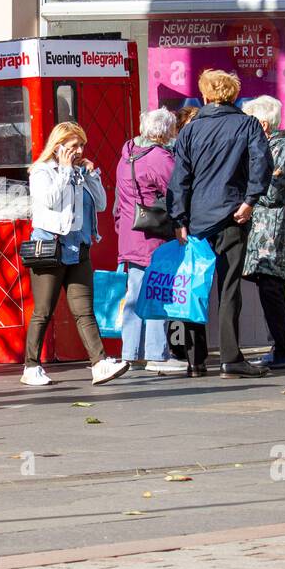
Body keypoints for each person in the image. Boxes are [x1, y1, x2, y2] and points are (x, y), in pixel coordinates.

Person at [168, 69, 273, 379]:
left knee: (195, 288)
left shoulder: (190, 130)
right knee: (229, 290)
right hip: (232, 215)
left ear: (205, 95)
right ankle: (230, 358)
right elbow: (262, 164)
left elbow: (179, 180)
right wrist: (250, 201)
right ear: (232, 95)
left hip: (198, 220)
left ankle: (195, 361)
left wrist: (179, 219)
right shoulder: (247, 125)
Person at [21, 122, 129, 388]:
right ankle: (31, 366)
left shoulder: (80, 172)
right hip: (51, 247)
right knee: (43, 311)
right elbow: (51, 201)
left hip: (78, 248)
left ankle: (99, 363)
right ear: (58, 147)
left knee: (84, 310)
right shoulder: (41, 172)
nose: (79, 150)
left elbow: (102, 203)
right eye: (72, 146)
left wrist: (90, 175)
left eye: (81, 145)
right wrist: (66, 170)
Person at [113, 108, 184, 374]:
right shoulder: (158, 157)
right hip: (153, 236)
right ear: (165, 131)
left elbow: (121, 200)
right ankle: (156, 354)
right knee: (156, 293)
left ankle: (130, 353)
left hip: (130, 235)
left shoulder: (127, 153)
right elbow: (176, 192)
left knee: (134, 296)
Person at [242, 96, 285, 371]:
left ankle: (283, 350)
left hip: (277, 233)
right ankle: (278, 348)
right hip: (267, 232)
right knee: (269, 289)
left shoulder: (282, 149)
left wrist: (244, 194)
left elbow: (270, 191)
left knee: (271, 288)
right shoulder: (270, 147)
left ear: (263, 124)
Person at [166, 105, 203, 372]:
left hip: (192, 224)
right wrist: (180, 221)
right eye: (191, 121)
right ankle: (181, 349)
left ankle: (192, 354)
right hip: (182, 227)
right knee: (181, 290)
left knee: (189, 290)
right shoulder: (177, 150)